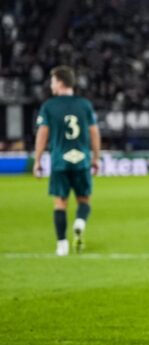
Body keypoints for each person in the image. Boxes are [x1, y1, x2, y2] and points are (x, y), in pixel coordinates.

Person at [33, 66, 101, 256]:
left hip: (59, 161)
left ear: (61, 82)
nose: (51, 84)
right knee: (84, 200)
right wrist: (96, 158)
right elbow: (94, 132)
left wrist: (37, 160)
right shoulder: (85, 105)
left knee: (60, 203)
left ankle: (61, 244)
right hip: (81, 160)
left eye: (53, 81)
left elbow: (42, 134)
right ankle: (79, 223)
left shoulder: (49, 106)